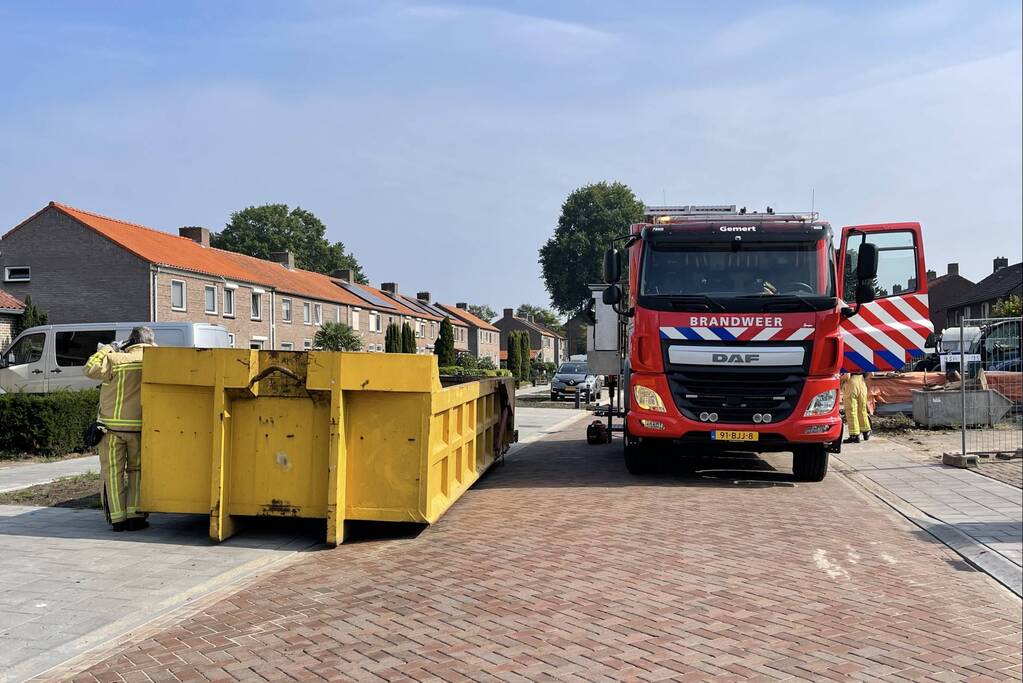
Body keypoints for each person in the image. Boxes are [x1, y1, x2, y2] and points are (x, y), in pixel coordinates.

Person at [84, 327, 156, 531]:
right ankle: (136, 517)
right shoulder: (154, 359)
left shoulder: (115, 360)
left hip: (111, 429)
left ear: (130, 342)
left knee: (113, 473)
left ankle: (117, 519)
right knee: (137, 472)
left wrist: (109, 348)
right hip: (140, 429)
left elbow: (89, 368)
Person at [842, 372, 871, 443]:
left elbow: (846, 376)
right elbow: (870, 374)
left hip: (851, 384)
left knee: (851, 410)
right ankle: (866, 431)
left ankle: (854, 435)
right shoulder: (863, 360)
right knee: (862, 409)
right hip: (862, 382)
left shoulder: (848, 361)